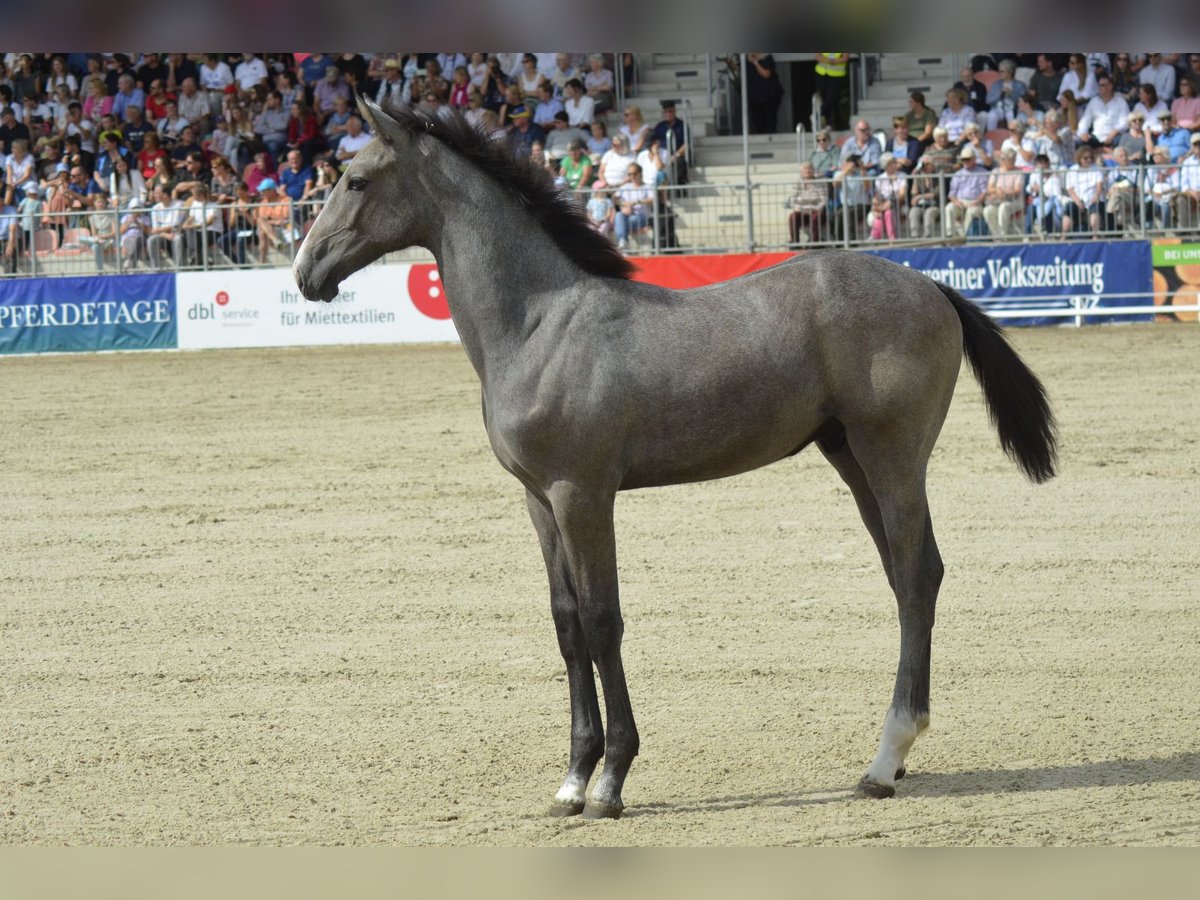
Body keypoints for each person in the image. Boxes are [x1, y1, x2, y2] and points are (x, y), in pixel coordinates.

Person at [944, 145, 989, 238]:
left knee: (971, 211)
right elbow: (951, 194)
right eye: (963, 159)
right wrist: (956, 202)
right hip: (960, 202)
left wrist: (976, 202)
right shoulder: (958, 174)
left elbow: (984, 191)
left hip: (976, 202)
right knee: (949, 208)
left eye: (968, 159)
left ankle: (965, 236)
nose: (965, 161)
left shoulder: (982, 172)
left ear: (974, 159)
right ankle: (950, 235)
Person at [1075, 74, 1130, 150]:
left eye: (1102, 85)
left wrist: (1114, 132)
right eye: (1099, 85)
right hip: (1096, 137)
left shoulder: (1121, 102)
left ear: (1110, 86)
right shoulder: (1093, 101)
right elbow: (1085, 120)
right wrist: (1083, 132)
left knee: (1123, 140)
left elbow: (1125, 122)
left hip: (1115, 137)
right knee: (1080, 143)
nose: (1099, 88)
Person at [1062, 145, 1105, 237]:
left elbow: (1099, 186)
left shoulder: (1096, 168)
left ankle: (1095, 236)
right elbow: (1070, 189)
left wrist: (1096, 196)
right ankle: (1063, 236)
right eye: (1086, 158)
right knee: (1068, 210)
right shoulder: (1072, 170)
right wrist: (1078, 202)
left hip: (1093, 199)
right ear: (1079, 158)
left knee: (1095, 212)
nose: (1089, 160)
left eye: (1090, 157)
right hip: (1077, 200)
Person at [982, 149, 1025, 238]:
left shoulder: (1018, 172)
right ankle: (997, 237)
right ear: (1003, 160)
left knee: (1003, 207)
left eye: (1013, 159)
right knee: (988, 210)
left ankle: (1002, 236)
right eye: (1010, 160)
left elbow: (1017, 190)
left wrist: (1005, 193)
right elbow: (989, 188)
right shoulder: (996, 171)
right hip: (997, 200)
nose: (1012, 162)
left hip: (1014, 200)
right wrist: (997, 191)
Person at [612, 162, 654, 249]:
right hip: (626, 215)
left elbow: (652, 200)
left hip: (642, 216)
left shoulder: (647, 187)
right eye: (629, 174)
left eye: (634, 174)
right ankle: (623, 241)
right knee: (619, 215)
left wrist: (637, 202)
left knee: (621, 222)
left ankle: (623, 241)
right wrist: (624, 205)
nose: (632, 176)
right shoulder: (625, 187)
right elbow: (614, 199)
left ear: (640, 173)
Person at [833, 153, 873, 241]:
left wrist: (862, 168)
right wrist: (847, 170)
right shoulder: (839, 174)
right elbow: (835, 184)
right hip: (847, 205)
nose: (852, 165)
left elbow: (867, 187)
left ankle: (852, 240)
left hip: (862, 205)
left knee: (849, 213)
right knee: (839, 213)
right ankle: (839, 242)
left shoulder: (862, 173)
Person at [786, 160, 827, 244]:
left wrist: (815, 209)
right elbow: (793, 199)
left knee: (816, 217)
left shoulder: (820, 182)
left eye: (810, 169)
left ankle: (814, 242)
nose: (807, 171)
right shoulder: (797, 183)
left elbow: (824, 200)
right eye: (805, 169)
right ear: (801, 171)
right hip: (802, 211)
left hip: (816, 210)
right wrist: (797, 208)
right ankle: (795, 242)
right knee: (793, 217)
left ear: (813, 170)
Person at [145, 182, 183, 268]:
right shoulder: (155, 208)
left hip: (176, 233)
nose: (155, 195)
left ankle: (179, 267)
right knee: (151, 240)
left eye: (157, 193)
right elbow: (155, 229)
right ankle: (156, 268)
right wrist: (165, 234)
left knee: (178, 238)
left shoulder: (179, 204)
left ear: (165, 194)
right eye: (154, 193)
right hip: (163, 235)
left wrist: (160, 230)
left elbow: (175, 225)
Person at [651, 99, 689, 185]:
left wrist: (676, 155)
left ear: (675, 111)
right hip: (663, 152)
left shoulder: (682, 125)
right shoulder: (659, 127)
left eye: (670, 111)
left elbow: (686, 144)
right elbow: (654, 142)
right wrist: (654, 152)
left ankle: (680, 188)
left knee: (679, 162)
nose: (668, 113)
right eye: (665, 112)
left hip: (677, 153)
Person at [254, 178, 292, 262]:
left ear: (271, 190)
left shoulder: (285, 200)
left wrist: (270, 219)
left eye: (263, 191)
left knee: (262, 229)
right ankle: (275, 240)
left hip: (284, 226)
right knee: (261, 227)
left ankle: (262, 261)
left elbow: (285, 217)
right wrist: (272, 220)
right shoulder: (263, 202)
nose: (262, 193)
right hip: (270, 226)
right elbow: (262, 218)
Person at [1025, 153, 1064, 237]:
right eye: (1038, 164)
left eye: (1043, 163)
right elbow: (1028, 188)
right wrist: (1032, 188)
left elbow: (1056, 195)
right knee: (1031, 208)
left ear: (1047, 164)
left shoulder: (1054, 177)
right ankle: (1027, 235)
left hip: (1051, 201)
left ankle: (1049, 231)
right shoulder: (1034, 175)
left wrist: (1041, 190)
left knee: (1049, 207)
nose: (1041, 167)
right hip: (1038, 201)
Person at [870, 153, 906, 240]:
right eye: (890, 163)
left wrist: (893, 183)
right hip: (883, 203)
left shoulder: (902, 176)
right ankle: (876, 237)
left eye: (894, 162)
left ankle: (891, 238)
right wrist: (875, 204)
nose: (894, 165)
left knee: (888, 211)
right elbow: (877, 196)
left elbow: (902, 194)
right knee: (883, 213)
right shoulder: (880, 178)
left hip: (898, 203)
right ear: (885, 166)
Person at [744, 53, 784, 134]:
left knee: (769, 122)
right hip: (755, 98)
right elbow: (737, 69)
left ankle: (770, 141)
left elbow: (766, 74)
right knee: (758, 124)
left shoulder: (767, 57)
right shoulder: (746, 60)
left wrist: (755, 62)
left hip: (770, 96)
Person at [907, 154, 943, 239]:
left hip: (934, 205)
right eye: (923, 164)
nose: (925, 167)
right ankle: (915, 236)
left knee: (929, 213)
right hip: (921, 205)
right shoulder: (920, 176)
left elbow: (934, 194)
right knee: (913, 211)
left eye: (927, 164)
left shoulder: (938, 176)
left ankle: (928, 235)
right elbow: (914, 194)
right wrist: (915, 178)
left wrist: (919, 197)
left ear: (932, 165)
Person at [985, 59, 1027, 131]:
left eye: (1002, 71)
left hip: (1013, 109)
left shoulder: (1020, 85)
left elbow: (1025, 101)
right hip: (997, 108)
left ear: (1009, 72)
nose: (999, 73)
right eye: (999, 71)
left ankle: (1012, 138)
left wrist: (1011, 94)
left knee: (1011, 116)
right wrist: (999, 95)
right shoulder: (996, 84)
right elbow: (988, 101)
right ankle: (992, 137)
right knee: (991, 115)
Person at [814, 53, 849, 131]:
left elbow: (845, 58)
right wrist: (832, 61)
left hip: (837, 75)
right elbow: (818, 56)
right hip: (821, 73)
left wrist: (830, 61)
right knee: (826, 99)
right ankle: (829, 123)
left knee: (831, 99)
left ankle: (819, 114)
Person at [254, 90, 291, 161]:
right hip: (264, 141)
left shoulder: (287, 112)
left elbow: (283, 126)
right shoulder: (266, 113)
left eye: (269, 99)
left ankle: (274, 170)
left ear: (277, 100)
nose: (267, 101)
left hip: (278, 141)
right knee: (250, 148)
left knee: (272, 146)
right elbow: (257, 129)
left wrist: (267, 126)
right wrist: (273, 129)